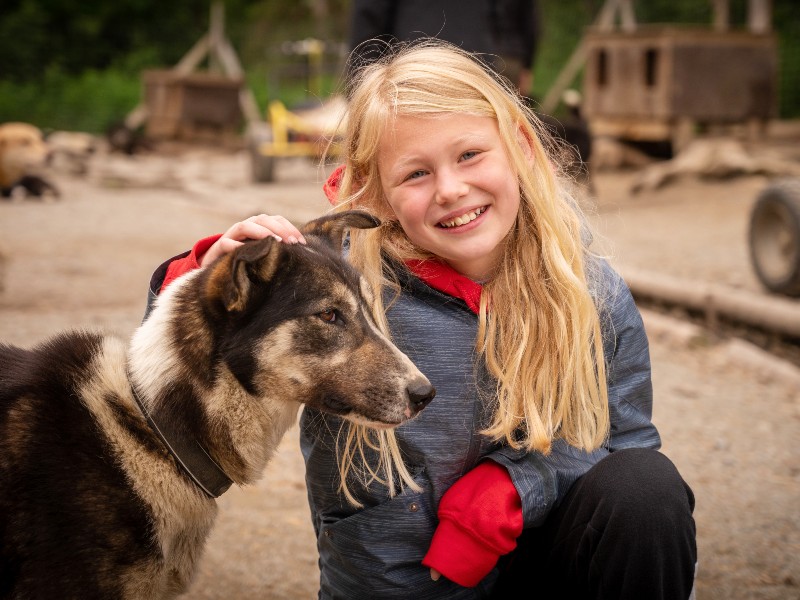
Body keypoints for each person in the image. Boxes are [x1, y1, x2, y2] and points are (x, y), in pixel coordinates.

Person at [146, 41, 697, 598]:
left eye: (470, 155)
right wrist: (207, 272)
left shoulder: (588, 292)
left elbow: (626, 441)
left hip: (545, 574)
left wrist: (515, 485)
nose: (451, 189)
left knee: (645, 490)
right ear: (374, 191)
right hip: (391, 585)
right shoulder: (336, 276)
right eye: (415, 173)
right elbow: (187, 341)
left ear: (523, 148)